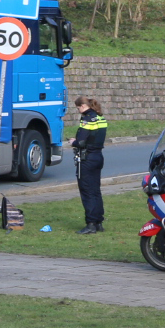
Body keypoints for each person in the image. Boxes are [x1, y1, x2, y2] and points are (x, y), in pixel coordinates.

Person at [70, 97, 108, 234]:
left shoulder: (86, 119)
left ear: (82, 106)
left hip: (87, 158)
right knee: (96, 190)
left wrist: (73, 142)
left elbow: (81, 142)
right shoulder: (100, 118)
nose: (78, 111)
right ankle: (98, 222)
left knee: (87, 191)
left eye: (78, 108)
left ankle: (91, 224)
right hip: (98, 156)